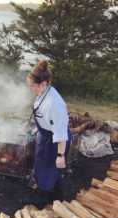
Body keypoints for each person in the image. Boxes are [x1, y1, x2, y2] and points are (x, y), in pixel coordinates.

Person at [27, 60, 71, 201]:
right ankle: (57, 196)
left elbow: (60, 132)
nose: (30, 89)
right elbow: (43, 117)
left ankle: (43, 198)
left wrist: (60, 155)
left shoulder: (54, 104)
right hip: (45, 136)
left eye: (32, 86)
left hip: (56, 143)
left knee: (47, 170)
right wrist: (35, 130)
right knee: (47, 168)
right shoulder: (43, 93)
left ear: (43, 84)